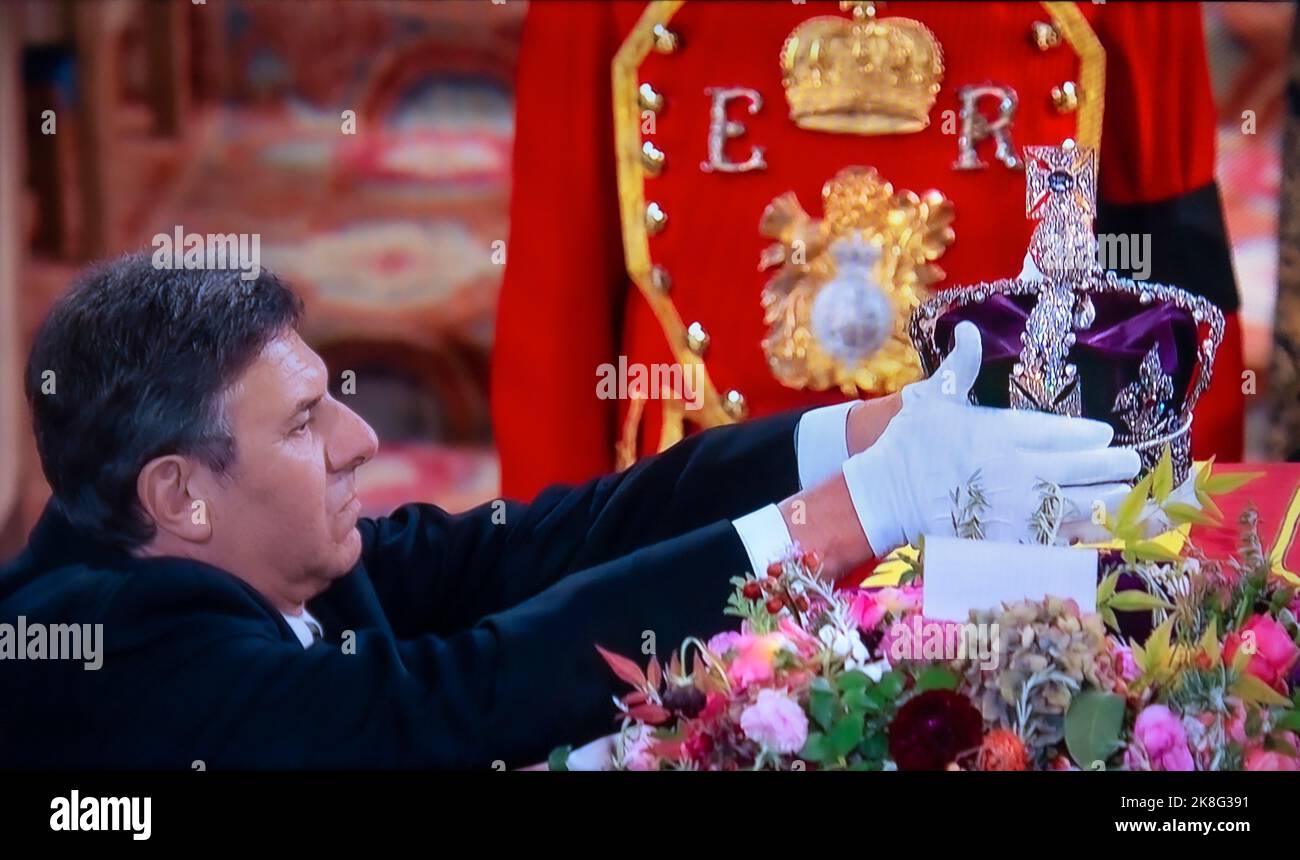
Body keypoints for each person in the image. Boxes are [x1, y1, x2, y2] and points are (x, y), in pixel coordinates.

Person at [0, 256, 1136, 768]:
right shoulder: (104, 654)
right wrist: (835, 524)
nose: (361, 440)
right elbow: (444, 711)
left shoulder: (247, 552)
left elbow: (546, 546)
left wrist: (850, 438)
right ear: (178, 493)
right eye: (302, 424)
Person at [492, 0, 1244, 500]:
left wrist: (1178, 583)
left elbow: (1176, 288)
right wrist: (551, 604)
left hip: (1013, 523)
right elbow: (556, 298)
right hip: (684, 515)